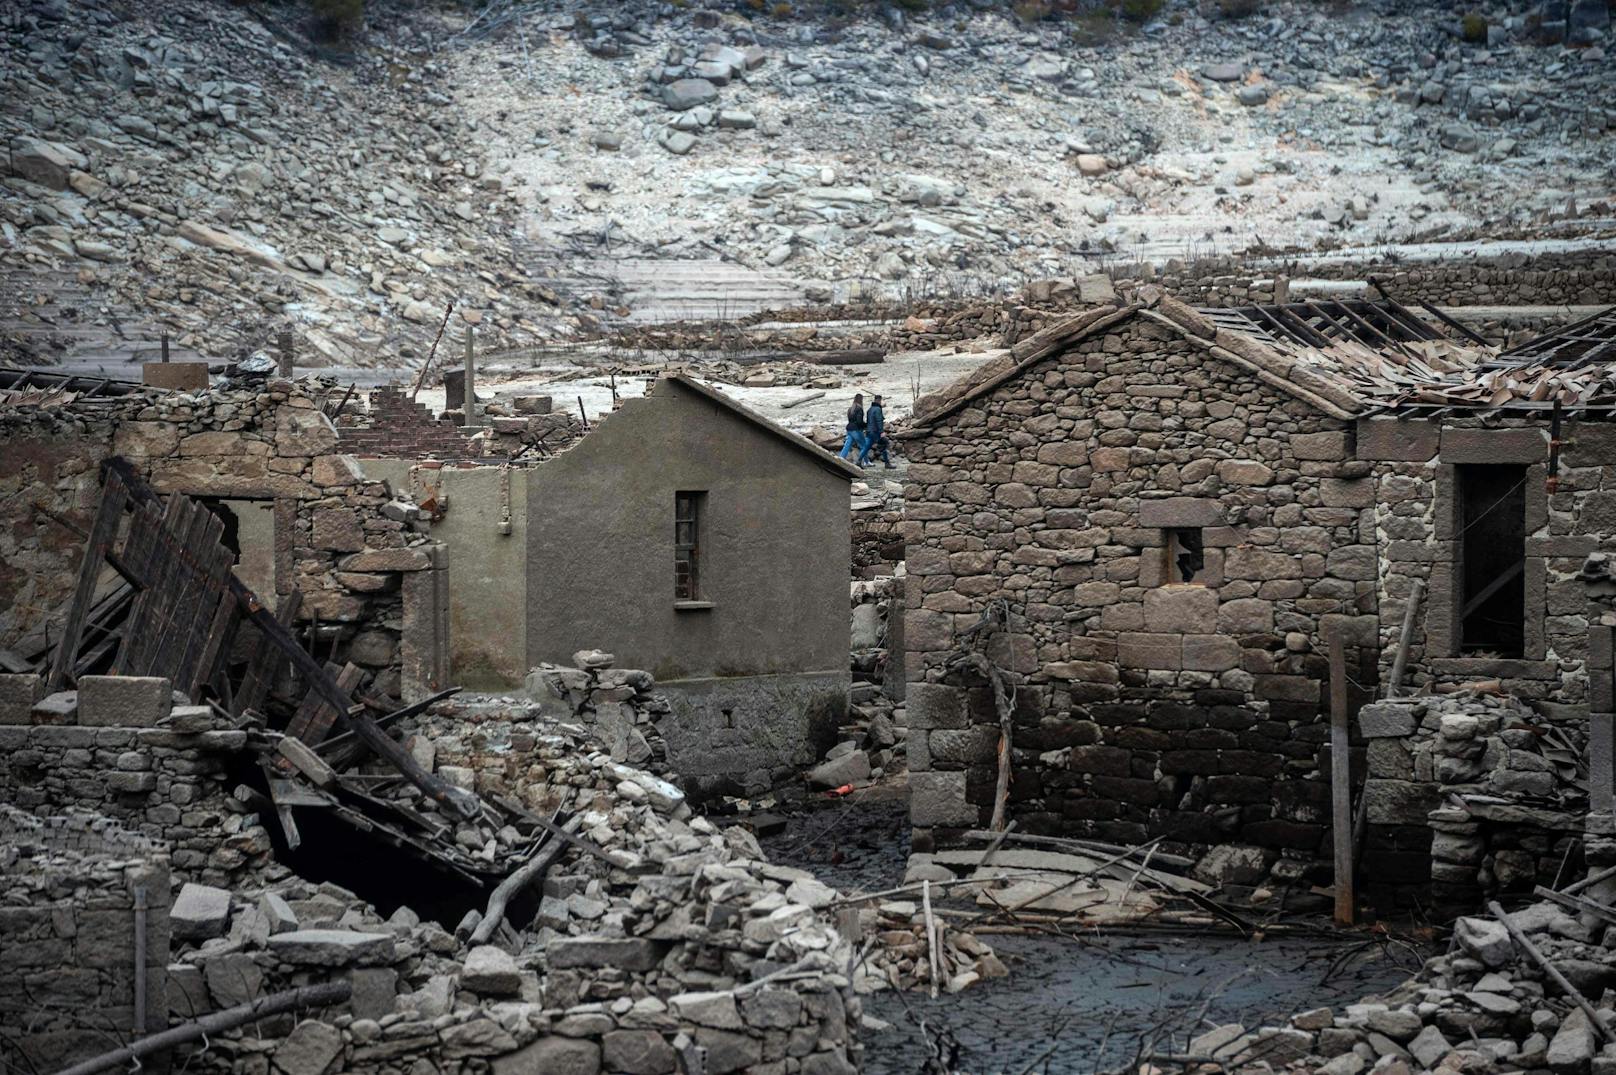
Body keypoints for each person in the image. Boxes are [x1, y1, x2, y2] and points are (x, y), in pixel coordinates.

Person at [858, 394, 893, 469]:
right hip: (875, 432)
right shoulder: (878, 409)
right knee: (884, 444)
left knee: (866, 447)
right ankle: (887, 463)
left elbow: (868, 421)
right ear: (879, 400)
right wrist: (881, 431)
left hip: (869, 431)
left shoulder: (869, 409)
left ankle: (858, 461)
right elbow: (879, 421)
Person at [839, 393, 866, 460]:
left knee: (847, 445)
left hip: (849, 429)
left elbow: (850, 420)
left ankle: (841, 458)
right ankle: (865, 462)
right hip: (856, 430)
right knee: (864, 445)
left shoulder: (850, 409)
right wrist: (866, 425)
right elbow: (859, 421)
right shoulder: (859, 409)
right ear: (861, 400)